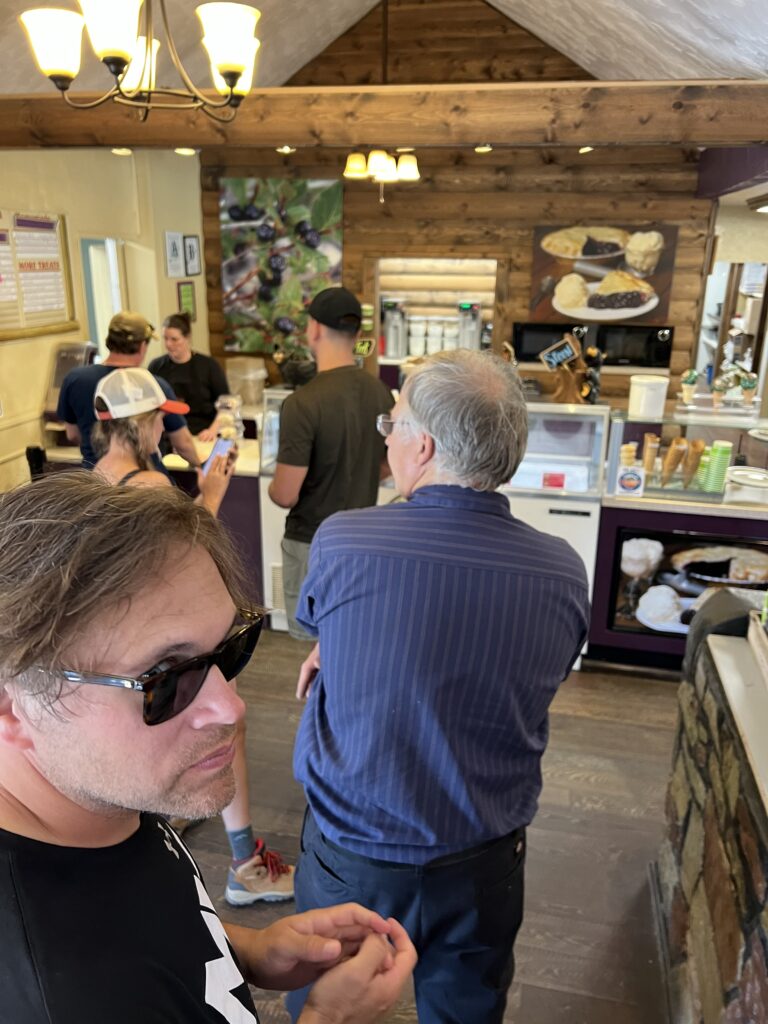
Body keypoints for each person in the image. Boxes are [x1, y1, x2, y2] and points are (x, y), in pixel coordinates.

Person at [0, 473, 416, 1023]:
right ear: (13, 709)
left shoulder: (98, 794)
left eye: (231, 647)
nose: (230, 708)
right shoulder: (62, 998)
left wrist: (247, 952)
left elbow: (149, 919)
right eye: (167, 678)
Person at [288, 350, 591, 1024]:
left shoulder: (344, 540)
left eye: (390, 424)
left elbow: (321, 617)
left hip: (352, 850)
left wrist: (333, 648)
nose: (387, 438)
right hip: (481, 857)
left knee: (329, 1007)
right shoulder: (563, 570)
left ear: (421, 445)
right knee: (467, 1012)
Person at [92, 367, 295, 903]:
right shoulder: (151, 487)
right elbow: (185, 561)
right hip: (168, 648)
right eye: (159, 420)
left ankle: (172, 820)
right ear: (139, 424)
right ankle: (246, 864)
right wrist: (212, 493)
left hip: (121, 653)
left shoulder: (92, 482)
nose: (163, 430)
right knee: (227, 729)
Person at [268, 286, 394, 640]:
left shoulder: (302, 402)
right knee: (352, 641)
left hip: (314, 544)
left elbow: (286, 494)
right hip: (362, 541)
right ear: (355, 334)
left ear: (315, 329)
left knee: (313, 647)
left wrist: (272, 487)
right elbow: (389, 465)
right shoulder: (380, 392)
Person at [57, 310, 201, 470]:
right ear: (142, 346)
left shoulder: (75, 379)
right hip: (145, 482)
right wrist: (201, 467)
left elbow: (72, 434)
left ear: (109, 340)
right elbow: (183, 444)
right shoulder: (153, 385)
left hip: (95, 482)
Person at [148, 312, 231, 440]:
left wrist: (212, 431)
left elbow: (226, 404)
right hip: (167, 436)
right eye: (165, 338)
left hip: (202, 435)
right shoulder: (156, 366)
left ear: (187, 337)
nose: (168, 344)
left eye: (174, 339)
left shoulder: (209, 366)